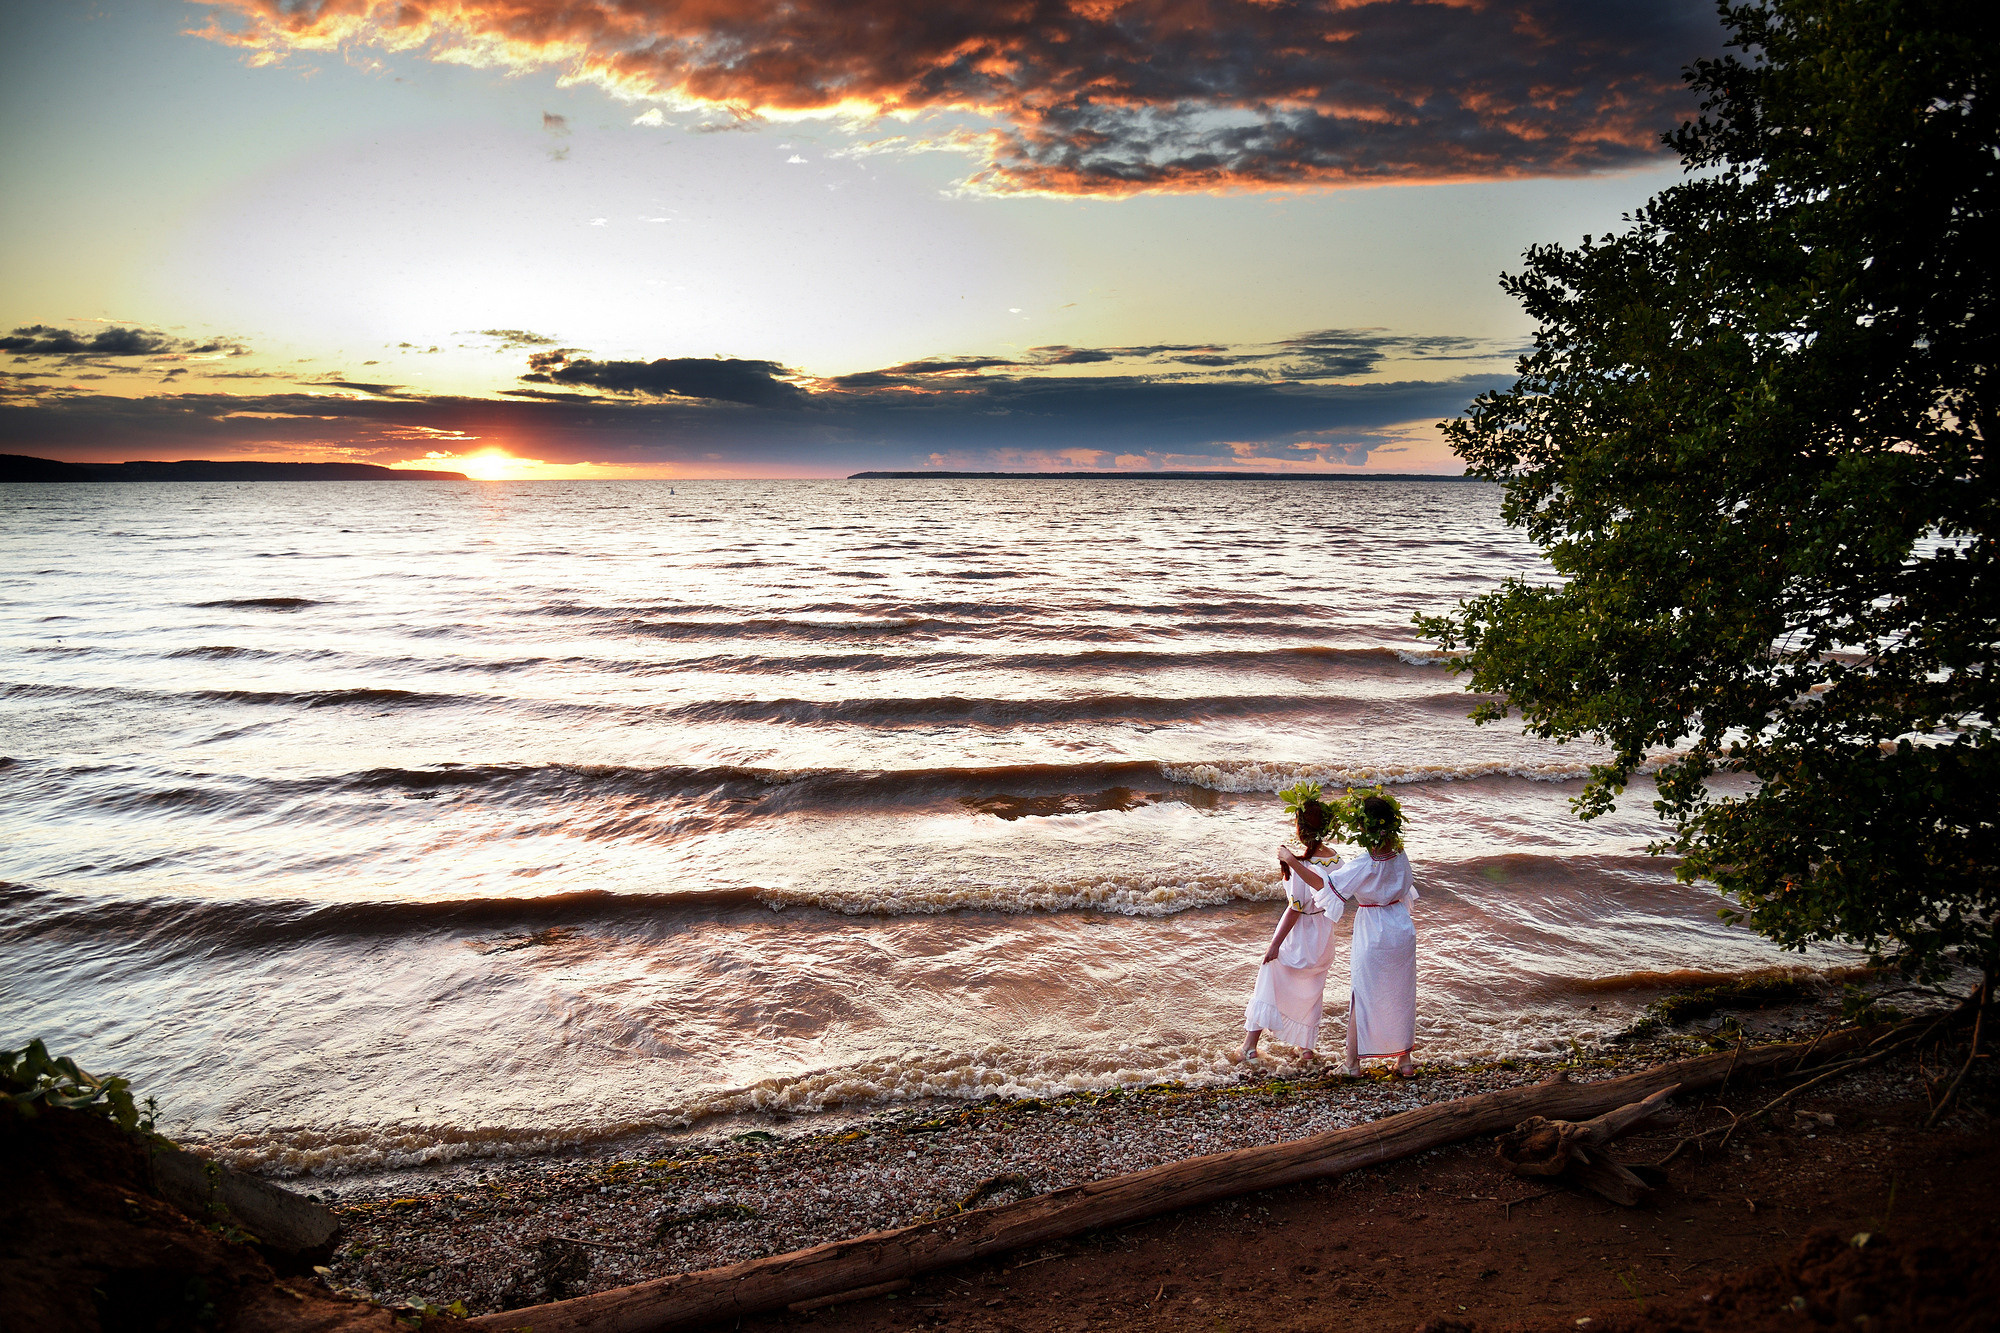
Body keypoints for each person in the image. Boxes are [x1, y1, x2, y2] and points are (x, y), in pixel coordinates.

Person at [1239, 796, 1345, 1063]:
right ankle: (1306, 1047)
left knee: (1268, 975)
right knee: (1313, 988)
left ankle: (1249, 1047)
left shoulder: (1301, 864)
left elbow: (1296, 908)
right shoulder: (1336, 859)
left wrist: (1274, 944)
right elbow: (1329, 890)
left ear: (1299, 828)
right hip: (1323, 936)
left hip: (1303, 936)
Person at [1326, 795, 1419, 1077]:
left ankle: (1352, 1064)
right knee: (1401, 993)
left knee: (1362, 994)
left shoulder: (1367, 861)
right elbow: (1407, 889)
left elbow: (1331, 887)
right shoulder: (1400, 854)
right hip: (1401, 926)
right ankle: (1404, 1061)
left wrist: (1293, 861)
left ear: (1365, 827)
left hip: (1374, 929)